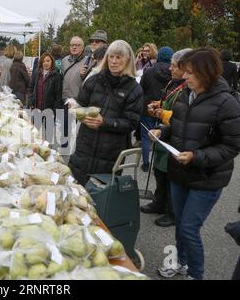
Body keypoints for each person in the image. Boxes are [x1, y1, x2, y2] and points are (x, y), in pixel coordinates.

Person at [150, 48, 240, 280]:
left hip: (207, 177)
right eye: (185, 71)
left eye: (190, 73)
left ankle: (196, 275)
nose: (185, 76)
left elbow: (231, 147)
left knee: (189, 228)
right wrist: (163, 131)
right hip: (180, 172)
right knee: (181, 224)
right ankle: (180, 262)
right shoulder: (185, 95)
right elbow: (179, 126)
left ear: (206, 73)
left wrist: (196, 157)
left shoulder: (226, 103)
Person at [67, 40, 143, 185]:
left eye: (118, 57)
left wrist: (104, 122)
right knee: (77, 194)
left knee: (100, 197)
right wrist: (78, 112)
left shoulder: (134, 89)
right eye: (111, 57)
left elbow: (131, 123)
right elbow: (80, 104)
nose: (113, 61)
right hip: (85, 145)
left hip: (110, 152)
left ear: (128, 60)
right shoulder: (93, 80)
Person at [141, 48, 192, 227]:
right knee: (159, 171)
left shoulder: (187, 87)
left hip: (175, 137)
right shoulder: (173, 83)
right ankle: (159, 202)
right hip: (164, 134)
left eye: (174, 66)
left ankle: (172, 212)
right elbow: (169, 102)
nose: (170, 68)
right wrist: (159, 104)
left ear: (185, 67)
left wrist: (161, 113)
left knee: (170, 175)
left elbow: (183, 115)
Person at [139, 46, 174, 172]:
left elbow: (141, 88)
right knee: (162, 135)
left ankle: (146, 163)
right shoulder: (173, 72)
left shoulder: (149, 71)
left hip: (148, 106)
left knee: (146, 136)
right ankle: (158, 164)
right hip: (165, 106)